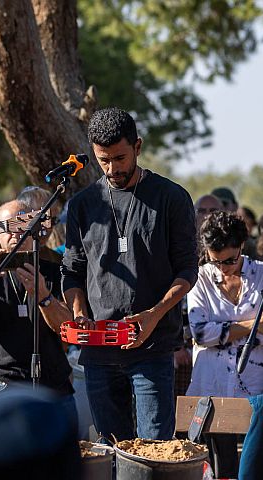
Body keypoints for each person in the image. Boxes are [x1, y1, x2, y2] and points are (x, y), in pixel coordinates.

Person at [62, 107, 198, 441]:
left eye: (120, 158)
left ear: (137, 146)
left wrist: (154, 315)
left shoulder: (172, 197)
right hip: (98, 350)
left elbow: (187, 270)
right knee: (111, 449)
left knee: (153, 451)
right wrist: (79, 313)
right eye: (103, 160)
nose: (112, 169)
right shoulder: (82, 204)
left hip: (153, 348)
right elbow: (72, 271)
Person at [0, 189, 76, 420]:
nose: (15, 234)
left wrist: (44, 295)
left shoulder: (54, 267)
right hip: (4, 386)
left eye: (22, 225)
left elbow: (68, 328)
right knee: (6, 455)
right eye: (7, 227)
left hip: (53, 385)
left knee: (63, 455)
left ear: (34, 229)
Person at [186, 211, 263, 479]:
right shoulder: (200, 278)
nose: (223, 268)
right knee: (219, 470)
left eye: (229, 260)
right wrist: (252, 325)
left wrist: (226, 331)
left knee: (254, 468)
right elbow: (201, 333)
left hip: (256, 385)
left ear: (242, 246)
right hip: (211, 385)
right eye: (215, 261)